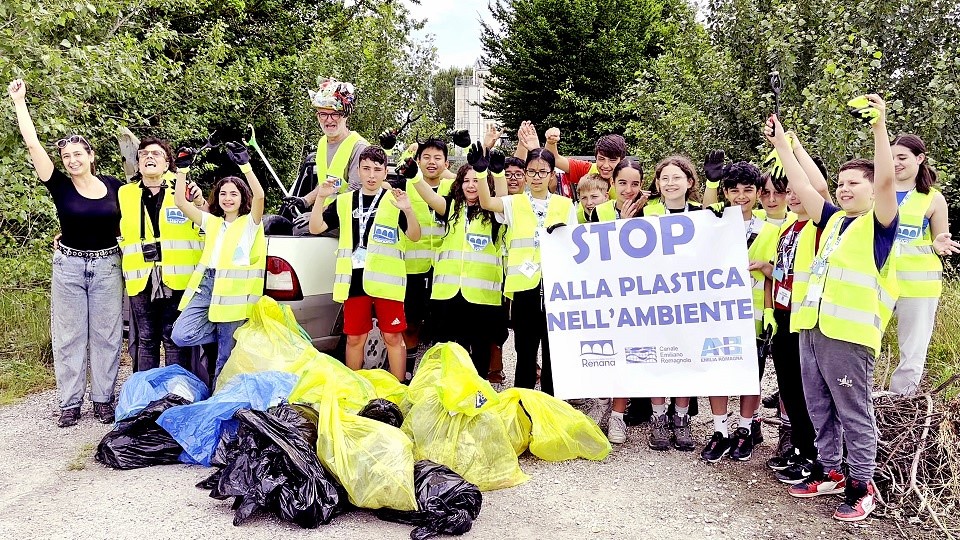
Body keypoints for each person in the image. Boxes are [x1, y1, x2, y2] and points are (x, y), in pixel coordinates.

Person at [767, 97, 913, 521]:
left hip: (849, 337)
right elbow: (803, 185)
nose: (845, 189)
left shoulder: (880, 224)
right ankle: (830, 470)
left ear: (872, 190)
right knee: (818, 406)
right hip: (813, 328)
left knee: (853, 412)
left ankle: (861, 485)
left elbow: (887, 181)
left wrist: (880, 127)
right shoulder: (833, 221)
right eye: (841, 183)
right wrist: (783, 146)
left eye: (854, 183)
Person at [9, 79, 123, 427]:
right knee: (70, 336)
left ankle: (103, 400)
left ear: (91, 156)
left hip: (107, 266)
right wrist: (19, 102)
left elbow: (144, 209)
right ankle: (70, 403)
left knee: (107, 335)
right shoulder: (59, 185)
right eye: (66, 156)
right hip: (69, 267)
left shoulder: (116, 187)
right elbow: (32, 144)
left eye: (78, 154)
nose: (72, 160)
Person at [755, 135, 834, 484]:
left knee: (808, 392)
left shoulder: (823, 223)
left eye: (797, 189)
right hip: (783, 314)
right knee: (788, 388)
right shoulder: (787, 225)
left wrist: (791, 147)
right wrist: (768, 270)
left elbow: (819, 187)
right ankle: (800, 448)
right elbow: (786, 271)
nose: (794, 195)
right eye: (789, 191)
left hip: (807, 318)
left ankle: (817, 455)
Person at [308, 146, 420, 381]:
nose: (371, 175)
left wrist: (409, 211)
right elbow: (316, 227)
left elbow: (414, 236)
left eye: (377, 170)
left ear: (385, 172)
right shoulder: (344, 201)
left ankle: (398, 389)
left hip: (387, 281)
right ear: (358, 170)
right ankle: (355, 388)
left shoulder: (395, 199)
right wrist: (320, 197)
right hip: (353, 280)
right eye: (366, 169)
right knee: (355, 338)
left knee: (392, 337)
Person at [478, 145, 577, 396]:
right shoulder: (515, 202)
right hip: (524, 288)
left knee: (553, 352)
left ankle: (551, 404)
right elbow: (487, 202)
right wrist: (482, 173)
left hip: (556, 288)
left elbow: (575, 246)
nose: (536, 177)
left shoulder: (566, 205)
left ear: (551, 174)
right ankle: (522, 402)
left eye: (542, 172)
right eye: (531, 171)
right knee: (525, 351)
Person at [700, 161, 778, 463]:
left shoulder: (770, 230)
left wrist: (769, 306)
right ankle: (719, 430)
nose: (741, 196)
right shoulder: (715, 224)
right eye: (734, 190)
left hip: (753, 317)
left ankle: (745, 429)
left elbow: (775, 274)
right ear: (725, 192)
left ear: (758, 192)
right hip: (717, 314)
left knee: (750, 375)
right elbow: (702, 218)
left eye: (748, 190)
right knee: (717, 371)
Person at [171, 142, 266, 382]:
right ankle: (225, 333)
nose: (227, 198)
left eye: (234, 193)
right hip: (206, 287)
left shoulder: (250, 224)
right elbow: (180, 202)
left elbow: (260, 196)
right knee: (180, 334)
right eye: (223, 193)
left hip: (233, 297)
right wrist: (182, 169)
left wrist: (246, 165)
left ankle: (219, 399)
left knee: (224, 358)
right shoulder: (212, 222)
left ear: (242, 197)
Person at [409, 162, 506, 377]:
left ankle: (476, 393)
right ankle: (446, 391)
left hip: (481, 298)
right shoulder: (451, 207)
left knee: (479, 351)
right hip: (448, 296)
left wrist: (498, 173)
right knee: (445, 350)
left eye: (476, 181)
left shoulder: (495, 213)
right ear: (459, 184)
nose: (471, 186)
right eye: (466, 181)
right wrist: (414, 175)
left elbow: (502, 198)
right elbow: (430, 197)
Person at [118, 137, 205, 376]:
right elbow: (105, 222)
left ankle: (176, 391)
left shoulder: (184, 189)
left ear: (167, 163)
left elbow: (210, 223)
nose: (149, 157)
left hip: (178, 277)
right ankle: (147, 393)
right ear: (138, 163)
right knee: (146, 339)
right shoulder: (124, 194)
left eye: (156, 154)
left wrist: (199, 201)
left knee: (173, 338)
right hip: (141, 278)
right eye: (144, 154)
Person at [638, 156, 704, 450]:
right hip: (656, 299)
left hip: (690, 300)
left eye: (676, 177)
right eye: (664, 178)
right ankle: (658, 418)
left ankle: (681, 418)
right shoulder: (648, 213)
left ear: (689, 182)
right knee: (658, 357)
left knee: (686, 357)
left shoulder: (702, 214)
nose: (670, 183)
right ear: (657, 183)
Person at [888, 134, 959, 394]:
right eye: (891, 157)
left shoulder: (932, 198)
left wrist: (939, 245)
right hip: (877, 281)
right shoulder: (876, 191)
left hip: (918, 285)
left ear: (919, 159)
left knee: (913, 350)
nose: (896, 163)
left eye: (902, 157)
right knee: (861, 343)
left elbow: (940, 242)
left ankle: (900, 403)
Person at [582, 159, 646, 442]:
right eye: (622, 183)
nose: (628, 189)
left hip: (637, 294)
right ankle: (601, 402)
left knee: (627, 353)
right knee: (603, 350)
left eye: (634, 184)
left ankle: (618, 415)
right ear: (612, 184)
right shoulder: (600, 211)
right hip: (605, 292)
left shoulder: (649, 212)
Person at [401, 138, 454, 375]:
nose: (432, 162)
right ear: (418, 161)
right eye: (426, 157)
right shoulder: (405, 185)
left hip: (445, 272)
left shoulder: (455, 187)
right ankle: (408, 374)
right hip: (413, 269)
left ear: (446, 163)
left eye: (437, 158)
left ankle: (438, 376)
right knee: (411, 325)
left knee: (443, 329)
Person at [284, 78, 368, 227]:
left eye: (335, 114)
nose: (329, 120)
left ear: (345, 115)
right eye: (323, 114)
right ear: (318, 116)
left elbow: (354, 194)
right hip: (324, 218)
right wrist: (305, 200)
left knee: (298, 232)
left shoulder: (359, 147)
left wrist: (318, 214)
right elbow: (326, 184)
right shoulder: (323, 143)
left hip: (347, 222)